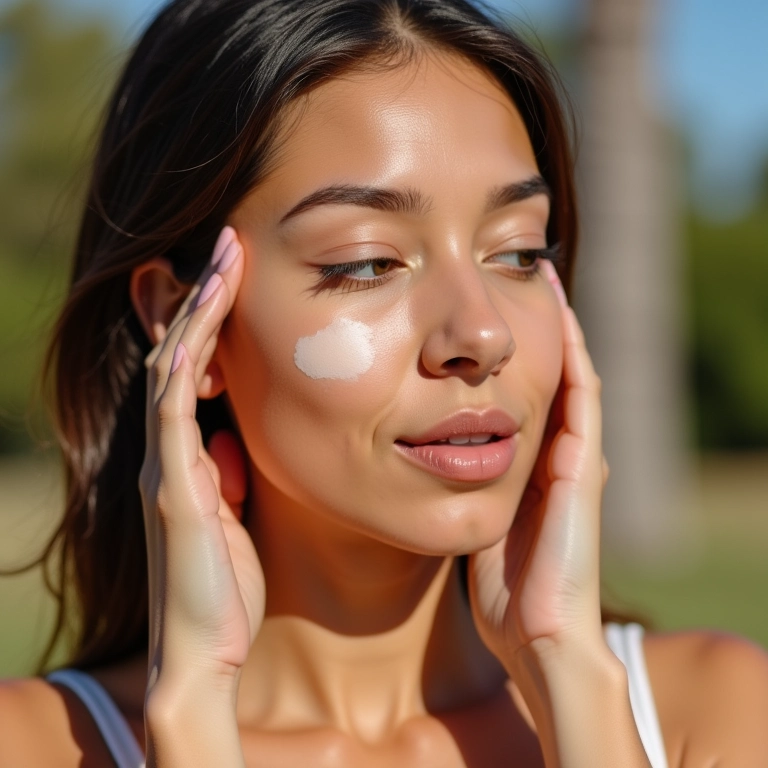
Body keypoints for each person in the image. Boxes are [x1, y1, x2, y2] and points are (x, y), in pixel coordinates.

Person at [1, 0, 768, 765]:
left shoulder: (713, 712)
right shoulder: (37, 746)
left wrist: (568, 673)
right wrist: (195, 708)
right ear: (184, 318)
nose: (482, 334)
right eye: (368, 261)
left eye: (520, 252)